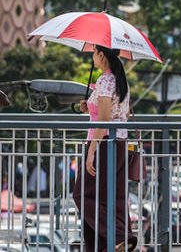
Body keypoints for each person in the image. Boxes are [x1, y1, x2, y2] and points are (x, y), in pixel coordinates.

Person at [72, 45, 136, 252]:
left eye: (94, 53)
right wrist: (88, 106)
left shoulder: (106, 80)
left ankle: (118, 236)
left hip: (104, 143)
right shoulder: (119, 80)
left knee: (83, 194)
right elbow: (124, 113)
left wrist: (91, 150)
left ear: (101, 54)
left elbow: (105, 119)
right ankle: (112, 241)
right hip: (119, 143)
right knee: (111, 196)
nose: (92, 57)